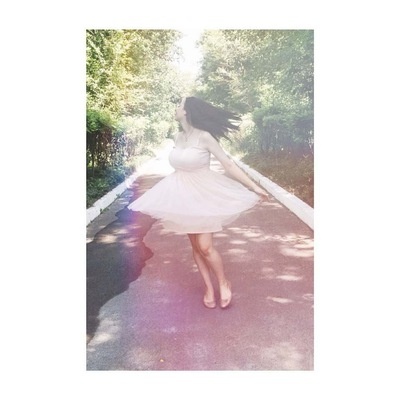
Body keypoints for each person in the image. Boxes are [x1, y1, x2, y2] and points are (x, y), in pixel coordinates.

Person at [128, 96, 270, 309]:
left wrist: (254, 186)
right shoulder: (178, 137)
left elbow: (229, 165)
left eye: (179, 106)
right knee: (195, 246)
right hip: (183, 196)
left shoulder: (205, 137)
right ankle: (209, 288)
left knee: (205, 246)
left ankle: (223, 282)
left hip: (204, 195)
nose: (176, 109)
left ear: (187, 111)